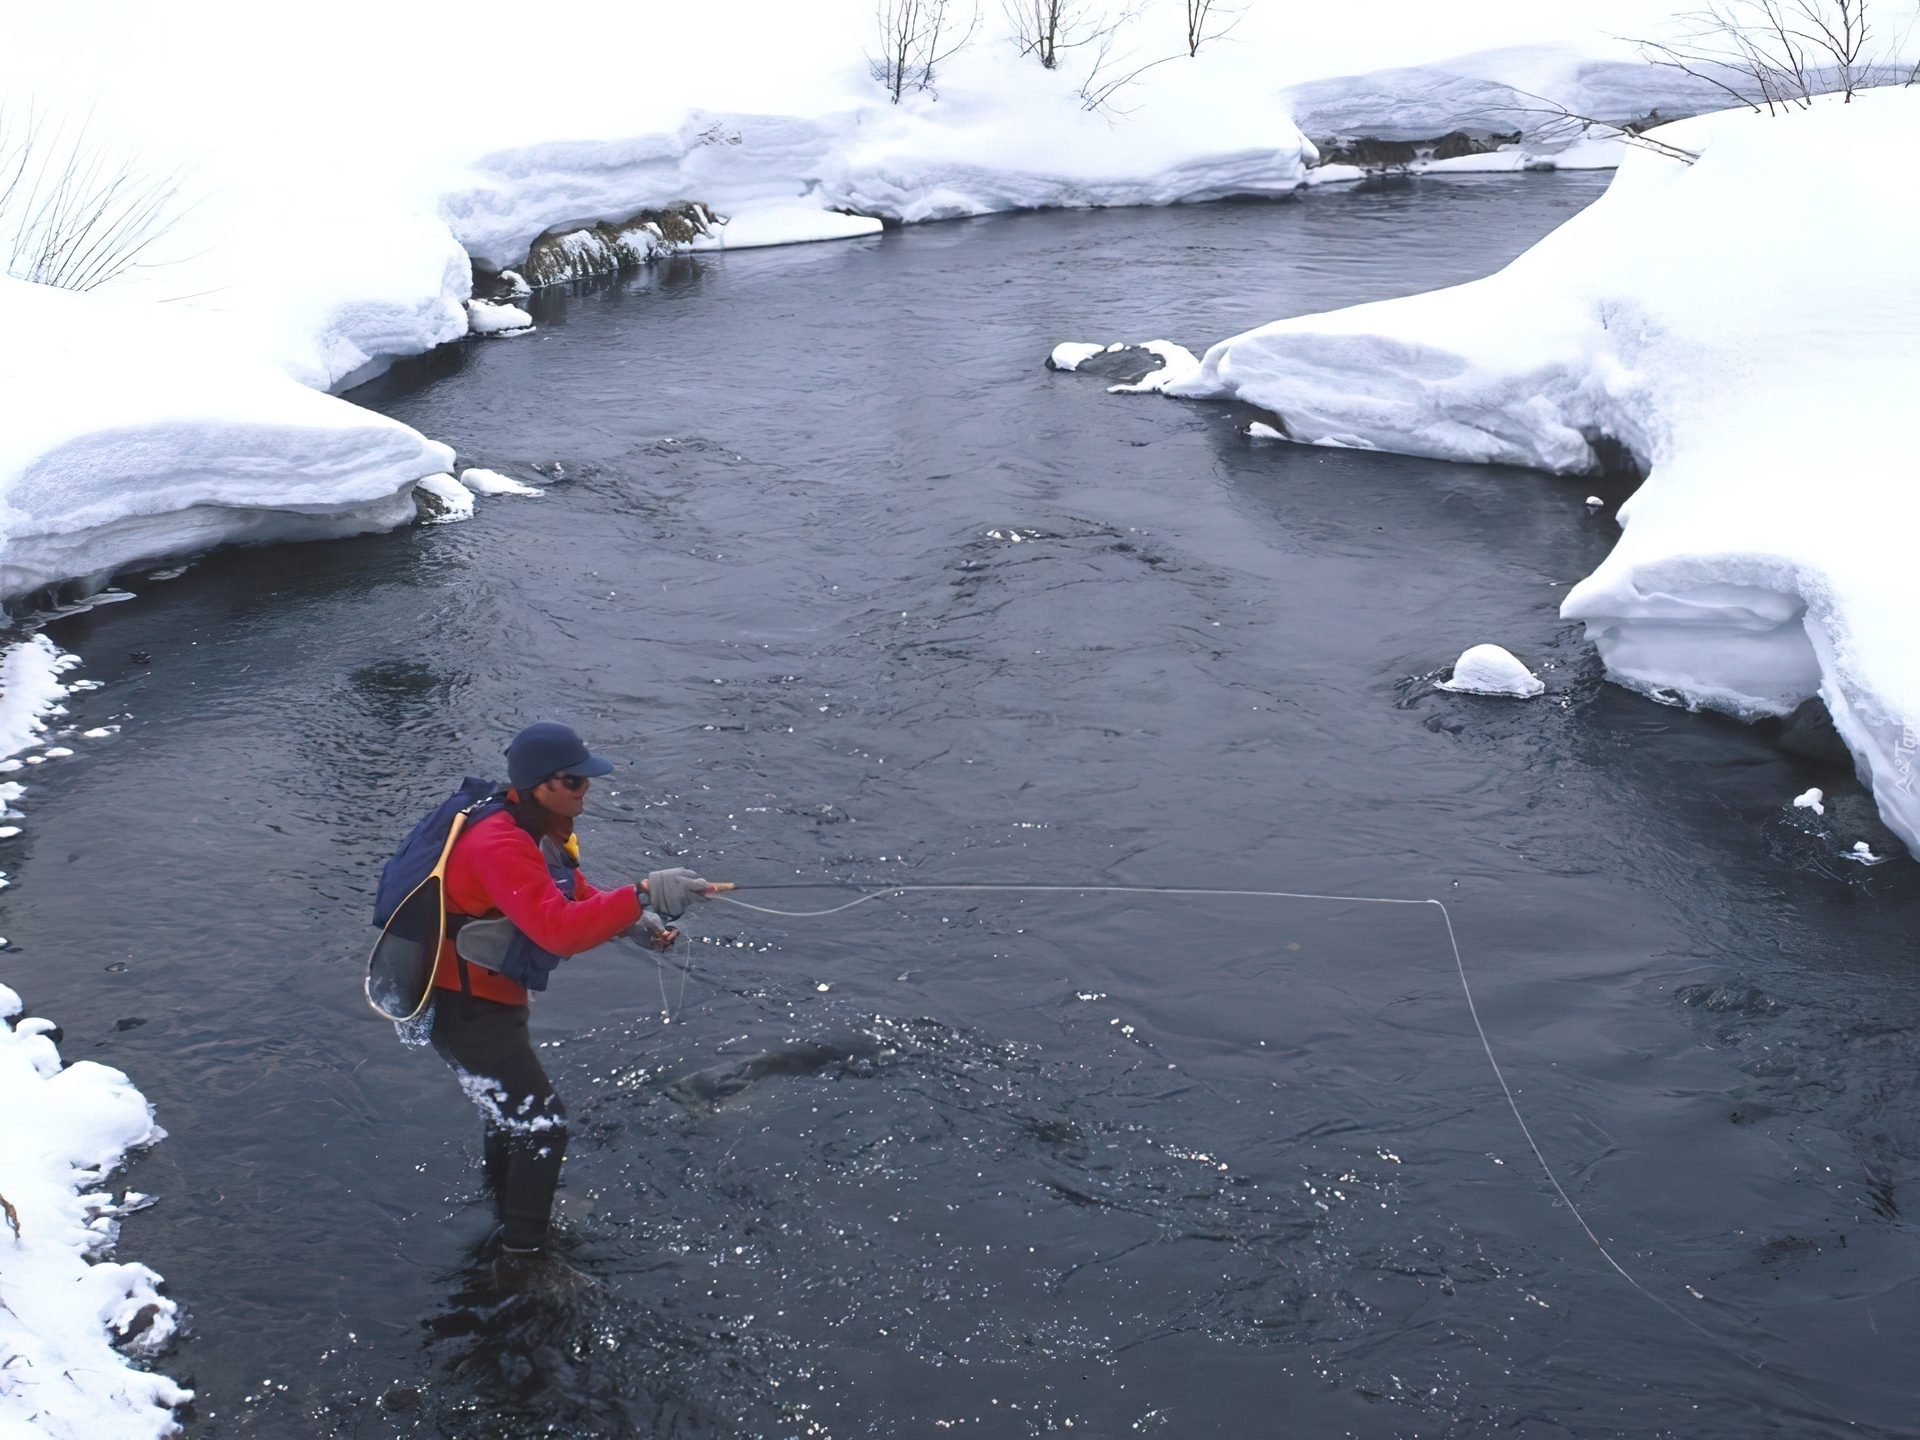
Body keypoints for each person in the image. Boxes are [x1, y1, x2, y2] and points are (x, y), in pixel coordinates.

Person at [428, 720, 713, 1253]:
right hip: (465, 1007)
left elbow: (568, 892)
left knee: (507, 1111)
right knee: (543, 1123)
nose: (588, 789)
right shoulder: (499, 842)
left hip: (483, 1000)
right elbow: (556, 932)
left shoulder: (525, 822)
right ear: (543, 784)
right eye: (577, 781)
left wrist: (634, 922)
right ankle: (525, 1257)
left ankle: (504, 1206)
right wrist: (643, 891)